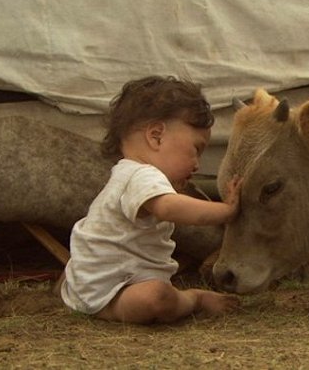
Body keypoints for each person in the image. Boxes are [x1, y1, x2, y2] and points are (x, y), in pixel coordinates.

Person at [61, 75, 241, 324]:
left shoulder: (125, 173)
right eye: (196, 149)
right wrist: (225, 211)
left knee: (151, 293)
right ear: (156, 136)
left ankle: (84, 296)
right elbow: (169, 207)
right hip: (115, 287)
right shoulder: (142, 175)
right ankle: (194, 299)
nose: (197, 164)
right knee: (156, 298)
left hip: (100, 282)